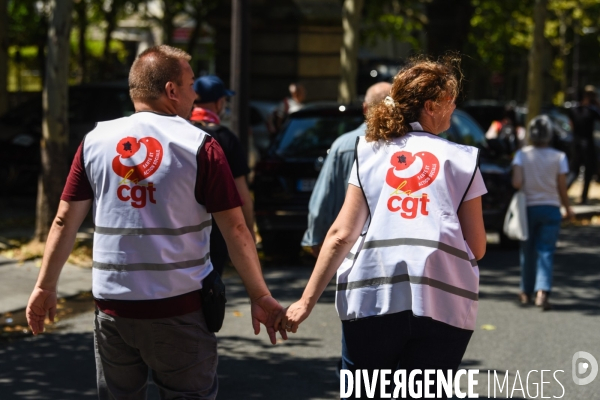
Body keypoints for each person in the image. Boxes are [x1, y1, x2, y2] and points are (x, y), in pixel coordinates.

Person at [25, 45, 286, 399]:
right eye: (191, 84)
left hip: (112, 310)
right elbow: (236, 228)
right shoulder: (200, 145)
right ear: (171, 91)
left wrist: (44, 287)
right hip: (179, 309)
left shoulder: (94, 141)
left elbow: (63, 221)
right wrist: (260, 294)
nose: (196, 94)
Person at [277, 57, 487, 399]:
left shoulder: (369, 152)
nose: (454, 109)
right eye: (451, 101)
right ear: (432, 106)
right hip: (442, 299)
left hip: (372, 296)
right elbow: (476, 247)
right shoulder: (462, 159)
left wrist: (305, 301)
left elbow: (341, 234)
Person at [301, 81, 392, 258]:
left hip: (349, 246)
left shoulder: (343, 145)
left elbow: (323, 199)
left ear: (365, 108)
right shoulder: (408, 145)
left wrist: (316, 237)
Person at [190, 75, 255, 276]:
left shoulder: (180, 133)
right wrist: (249, 236)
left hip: (182, 233)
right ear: (219, 103)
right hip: (217, 234)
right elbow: (241, 195)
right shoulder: (226, 139)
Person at [512, 115, 574, 311]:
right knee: (546, 251)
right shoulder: (559, 157)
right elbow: (562, 187)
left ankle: (525, 291)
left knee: (527, 251)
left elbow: (517, 183)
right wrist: (568, 208)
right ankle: (542, 292)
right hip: (551, 208)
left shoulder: (522, 155)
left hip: (528, 208)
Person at [568, 85, 600, 204]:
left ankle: (563, 193)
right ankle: (584, 198)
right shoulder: (592, 111)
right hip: (588, 145)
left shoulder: (573, 110)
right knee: (588, 173)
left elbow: (571, 126)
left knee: (574, 172)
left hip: (575, 144)